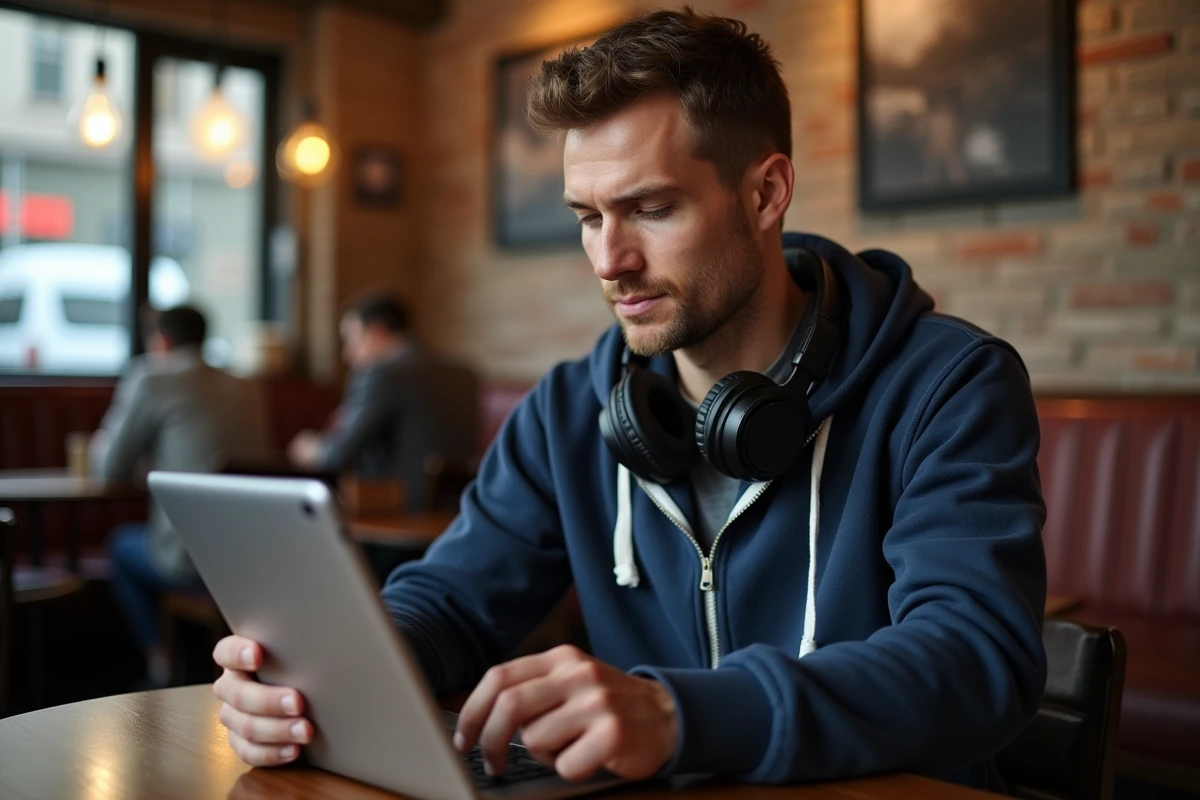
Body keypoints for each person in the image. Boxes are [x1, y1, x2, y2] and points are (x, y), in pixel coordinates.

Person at [212, 9, 1047, 791]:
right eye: (587, 217)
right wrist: (331, 674)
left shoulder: (948, 382)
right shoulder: (571, 409)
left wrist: (680, 713)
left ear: (765, 194)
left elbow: (976, 660)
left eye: (650, 209)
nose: (610, 260)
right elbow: (450, 601)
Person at [94, 304, 270, 687]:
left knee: (119, 546)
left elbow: (108, 467)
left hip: (188, 562)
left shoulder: (151, 376)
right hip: (252, 559)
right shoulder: (246, 386)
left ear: (163, 340)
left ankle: (161, 661)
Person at [287, 292, 480, 512]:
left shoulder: (382, 374)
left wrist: (311, 448)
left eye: (352, 338)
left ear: (377, 333)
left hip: (397, 510)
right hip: (459, 510)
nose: (347, 354)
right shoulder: (464, 374)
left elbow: (337, 455)